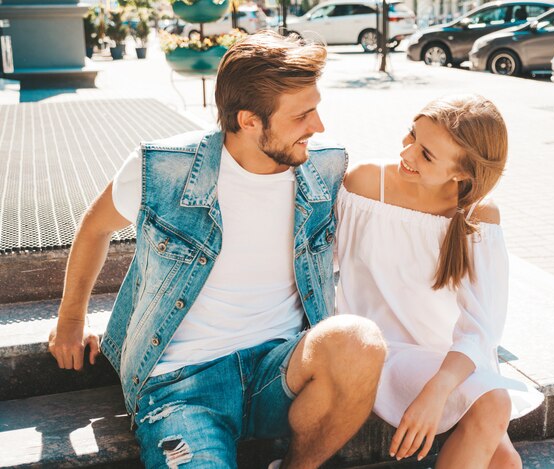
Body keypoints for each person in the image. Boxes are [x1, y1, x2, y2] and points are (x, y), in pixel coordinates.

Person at [48, 31, 386, 469]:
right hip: (181, 386)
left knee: (359, 340)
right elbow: (94, 228)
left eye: (316, 109)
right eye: (303, 115)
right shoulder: (165, 169)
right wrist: (71, 319)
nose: (318, 126)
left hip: (280, 373)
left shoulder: (324, 167)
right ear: (249, 120)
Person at [335, 95, 544, 468]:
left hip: (448, 361)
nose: (408, 154)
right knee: (495, 405)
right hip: (378, 349)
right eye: (411, 136)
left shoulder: (478, 215)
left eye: (427, 155)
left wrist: (438, 388)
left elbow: (482, 327)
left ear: (462, 173)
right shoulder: (366, 183)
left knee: (506, 463)